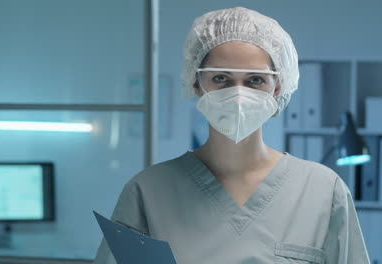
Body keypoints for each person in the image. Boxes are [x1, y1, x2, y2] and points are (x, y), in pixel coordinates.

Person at [94, 6, 371, 264]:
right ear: (196, 83)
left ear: (277, 87)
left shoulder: (323, 191)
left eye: (255, 80)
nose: (238, 95)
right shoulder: (148, 192)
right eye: (221, 79)